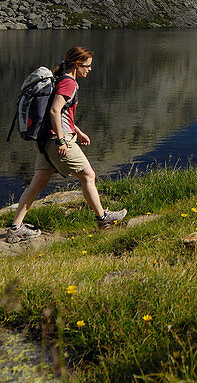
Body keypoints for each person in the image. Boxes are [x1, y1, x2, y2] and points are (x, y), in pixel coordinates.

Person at [7, 46, 126, 242]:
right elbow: (54, 111)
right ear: (77, 65)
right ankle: (103, 218)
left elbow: (61, 113)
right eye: (87, 66)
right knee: (88, 175)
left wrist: (77, 131)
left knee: (37, 184)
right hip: (57, 140)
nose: (89, 69)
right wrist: (62, 139)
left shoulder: (60, 79)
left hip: (46, 140)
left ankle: (15, 227)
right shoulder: (68, 83)